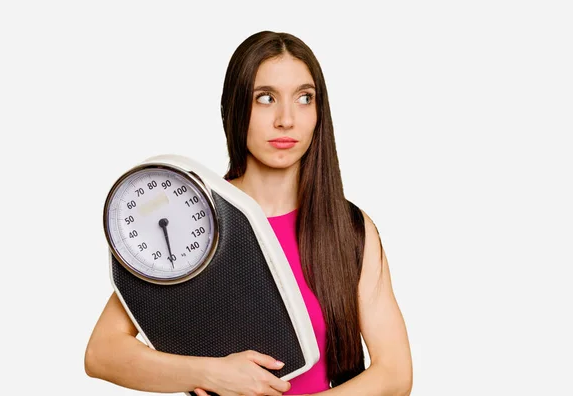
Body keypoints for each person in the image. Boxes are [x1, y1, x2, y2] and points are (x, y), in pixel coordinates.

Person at [85, 31, 413, 396]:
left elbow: (395, 375)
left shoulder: (348, 228)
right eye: (266, 98)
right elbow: (103, 353)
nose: (286, 119)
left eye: (304, 98)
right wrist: (208, 373)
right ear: (235, 107)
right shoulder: (195, 216)